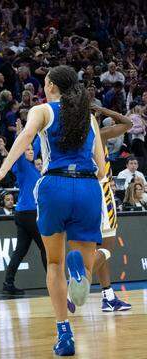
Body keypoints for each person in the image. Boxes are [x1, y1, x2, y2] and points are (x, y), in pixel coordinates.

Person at [0, 65, 106, 356]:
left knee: (55, 265)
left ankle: (64, 334)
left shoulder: (43, 111)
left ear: (50, 86)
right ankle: (80, 276)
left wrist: (2, 170)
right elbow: (100, 166)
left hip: (54, 187)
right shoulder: (89, 118)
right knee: (83, 273)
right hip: (87, 188)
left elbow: (23, 139)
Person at [85, 105, 133, 312]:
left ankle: (108, 296)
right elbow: (128, 123)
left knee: (97, 250)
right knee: (107, 248)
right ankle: (77, 285)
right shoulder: (99, 135)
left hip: (81, 192)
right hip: (101, 191)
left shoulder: (71, 139)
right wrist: (102, 109)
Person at [2, 135, 47, 295]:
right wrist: (21, 134)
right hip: (29, 213)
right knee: (45, 247)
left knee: (20, 250)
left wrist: (40, 130)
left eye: (31, 150)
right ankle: (53, 281)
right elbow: (20, 148)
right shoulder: (22, 165)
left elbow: (36, 143)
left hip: (22, 213)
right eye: (27, 150)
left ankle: (8, 283)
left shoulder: (32, 168)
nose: (30, 151)